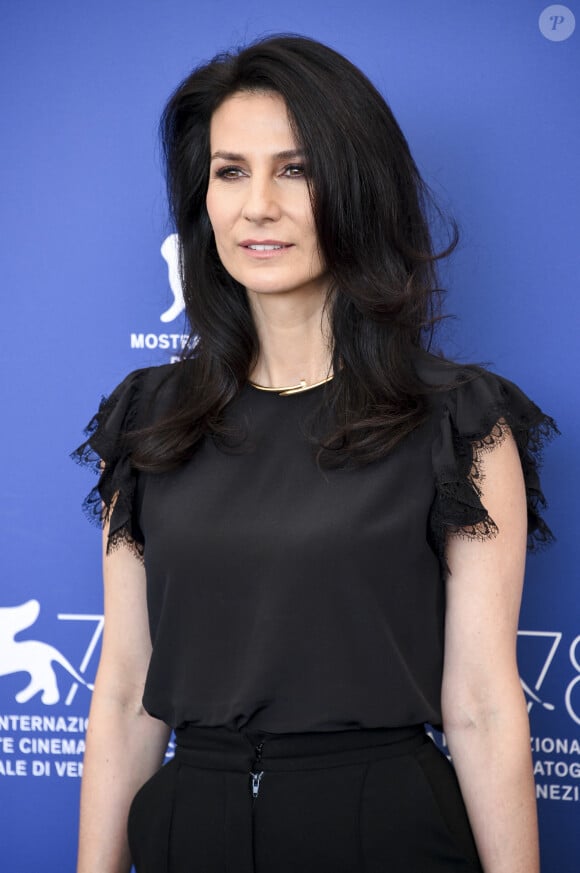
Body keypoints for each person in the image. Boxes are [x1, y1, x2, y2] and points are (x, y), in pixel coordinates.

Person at [73, 34, 557, 873]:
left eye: (295, 169)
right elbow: (123, 692)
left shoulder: (455, 419)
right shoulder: (149, 419)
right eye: (230, 171)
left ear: (357, 189)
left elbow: (480, 703)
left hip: (387, 828)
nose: (258, 205)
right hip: (193, 829)